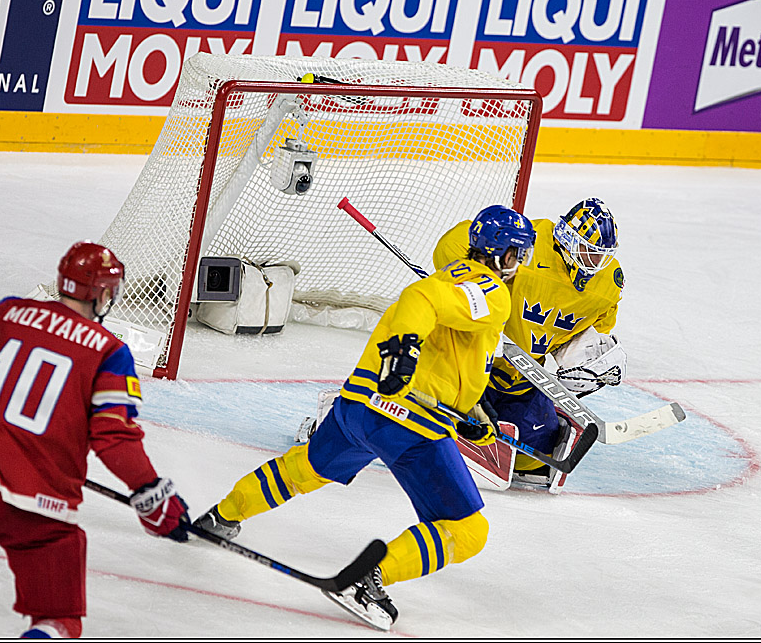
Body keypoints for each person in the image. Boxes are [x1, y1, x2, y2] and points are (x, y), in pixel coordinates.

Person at [191, 205, 536, 631]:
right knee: (467, 531)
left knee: (304, 469)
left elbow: (443, 345)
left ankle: (222, 516)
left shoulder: (454, 275)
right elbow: (419, 299)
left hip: (358, 408)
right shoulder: (493, 292)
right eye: (516, 255)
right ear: (500, 254)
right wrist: (405, 351)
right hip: (407, 426)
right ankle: (368, 583)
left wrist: (470, 413)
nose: (519, 265)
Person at [0, 241, 190, 639]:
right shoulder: (110, 351)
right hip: (43, 510)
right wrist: (152, 494)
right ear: (105, 293)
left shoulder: (5, 314)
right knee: (58, 621)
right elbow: (114, 437)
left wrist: (0, 430)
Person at [432, 198, 626, 490]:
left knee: (533, 456)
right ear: (568, 241)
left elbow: (595, 327)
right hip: (473, 360)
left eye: (601, 256)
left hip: (520, 378)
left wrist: (588, 357)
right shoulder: (527, 247)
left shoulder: (606, 283)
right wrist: (471, 282)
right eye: (589, 253)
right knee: (438, 423)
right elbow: (451, 245)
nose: (595, 263)